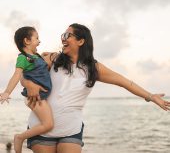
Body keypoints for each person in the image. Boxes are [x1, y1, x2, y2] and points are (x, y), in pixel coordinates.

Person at [22, 23, 170, 153]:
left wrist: (150, 96)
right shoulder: (52, 59)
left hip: (71, 130)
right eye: (63, 35)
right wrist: (29, 84)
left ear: (81, 41)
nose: (63, 38)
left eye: (68, 35)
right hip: (42, 128)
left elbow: (125, 82)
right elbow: (23, 76)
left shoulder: (93, 68)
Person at [0, 26, 54, 153]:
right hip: (34, 96)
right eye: (37, 38)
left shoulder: (36, 55)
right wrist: (7, 92)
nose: (39, 41)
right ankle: (20, 137)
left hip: (41, 95)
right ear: (27, 41)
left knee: (47, 123)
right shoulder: (23, 58)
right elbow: (16, 75)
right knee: (48, 124)